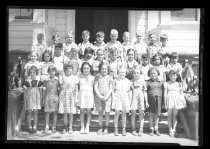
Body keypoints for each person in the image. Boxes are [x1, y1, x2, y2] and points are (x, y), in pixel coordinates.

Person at [164, 70, 186, 137]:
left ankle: (174, 129)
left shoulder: (178, 83)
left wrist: (183, 102)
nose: (172, 77)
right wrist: (165, 103)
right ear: (169, 76)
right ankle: (170, 129)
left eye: (174, 76)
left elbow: (181, 93)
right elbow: (165, 93)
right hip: (169, 99)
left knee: (175, 116)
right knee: (169, 115)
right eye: (170, 76)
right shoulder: (166, 83)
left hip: (176, 100)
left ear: (176, 76)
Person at [112, 65, 132, 136]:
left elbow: (129, 92)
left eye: (123, 72)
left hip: (125, 98)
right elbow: (113, 91)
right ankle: (115, 129)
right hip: (118, 98)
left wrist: (129, 101)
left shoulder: (128, 81)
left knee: (124, 114)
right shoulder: (115, 81)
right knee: (117, 113)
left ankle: (124, 128)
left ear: (125, 73)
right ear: (117, 73)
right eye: (120, 72)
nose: (121, 74)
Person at [59, 64, 79, 134]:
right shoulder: (62, 77)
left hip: (72, 96)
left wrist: (76, 99)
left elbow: (76, 89)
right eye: (67, 68)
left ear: (72, 69)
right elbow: (61, 87)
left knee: (71, 113)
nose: (68, 69)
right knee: (65, 112)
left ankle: (70, 127)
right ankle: (65, 126)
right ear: (64, 70)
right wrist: (65, 85)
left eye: (70, 68)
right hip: (64, 95)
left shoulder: (74, 77)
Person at [94, 62, 113, 135]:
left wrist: (106, 96)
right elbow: (95, 87)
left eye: (105, 69)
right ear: (100, 69)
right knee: (100, 112)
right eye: (102, 68)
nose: (104, 70)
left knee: (107, 113)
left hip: (107, 98)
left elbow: (111, 88)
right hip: (99, 97)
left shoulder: (110, 78)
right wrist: (99, 95)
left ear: (108, 70)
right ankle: (100, 127)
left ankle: (106, 127)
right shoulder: (98, 77)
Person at [23, 66, 43, 133]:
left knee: (35, 112)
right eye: (31, 72)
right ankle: (29, 126)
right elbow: (24, 91)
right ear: (29, 73)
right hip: (29, 98)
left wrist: (41, 99)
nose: (32, 74)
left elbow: (40, 91)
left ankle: (34, 126)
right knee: (29, 112)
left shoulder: (39, 82)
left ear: (36, 73)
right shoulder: (26, 82)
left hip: (36, 98)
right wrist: (25, 99)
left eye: (34, 72)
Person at [130, 66, 149, 136]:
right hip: (133, 98)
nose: (136, 74)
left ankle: (141, 128)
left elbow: (145, 92)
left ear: (140, 73)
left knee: (141, 113)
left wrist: (146, 101)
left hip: (141, 98)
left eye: (137, 73)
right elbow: (129, 93)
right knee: (133, 113)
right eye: (134, 73)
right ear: (132, 74)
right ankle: (133, 129)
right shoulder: (131, 82)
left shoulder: (143, 82)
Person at [146, 67, 165, 136]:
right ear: (149, 74)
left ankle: (156, 128)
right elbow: (145, 92)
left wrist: (163, 102)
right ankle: (151, 128)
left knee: (157, 115)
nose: (153, 75)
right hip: (150, 100)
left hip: (159, 100)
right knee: (151, 114)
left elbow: (163, 92)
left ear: (157, 74)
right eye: (151, 73)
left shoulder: (161, 82)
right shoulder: (147, 82)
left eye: (154, 73)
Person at [78, 62, 95, 134]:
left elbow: (94, 88)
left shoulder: (93, 78)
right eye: (84, 68)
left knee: (89, 111)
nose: (86, 69)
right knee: (81, 111)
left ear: (90, 69)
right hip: (81, 95)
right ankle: (82, 127)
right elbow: (77, 87)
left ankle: (87, 126)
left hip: (89, 95)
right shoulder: (79, 77)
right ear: (82, 69)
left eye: (87, 68)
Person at [42, 65, 59, 133]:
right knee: (47, 112)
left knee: (55, 112)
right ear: (48, 72)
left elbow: (59, 90)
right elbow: (44, 90)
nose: (51, 72)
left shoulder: (57, 80)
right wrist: (43, 99)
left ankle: (54, 126)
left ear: (55, 72)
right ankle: (47, 126)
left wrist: (59, 98)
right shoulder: (46, 80)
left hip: (55, 97)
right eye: (50, 71)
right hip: (47, 97)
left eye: (53, 71)